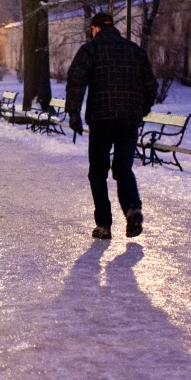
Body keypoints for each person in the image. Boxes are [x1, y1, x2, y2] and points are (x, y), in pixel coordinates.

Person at [64, 12, 157, 240]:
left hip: (101, 119)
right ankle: (132, 208)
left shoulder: (91, 49)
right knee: (123, 169)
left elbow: (76, 81)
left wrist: (74, 113)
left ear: (95, 28)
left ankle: (104, 225)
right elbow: (151, 85)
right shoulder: (135, 50)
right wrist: (141, 110)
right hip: (128, 120)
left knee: (98, 172)